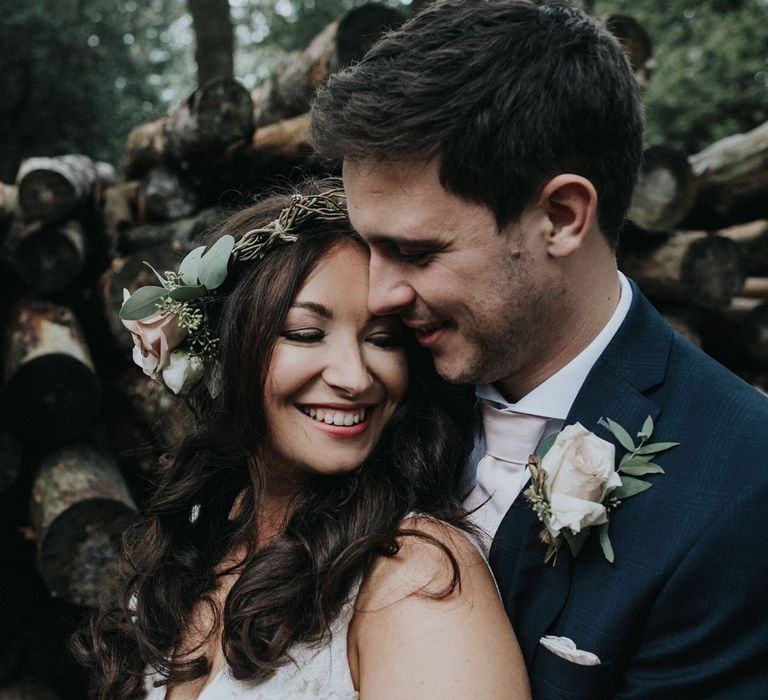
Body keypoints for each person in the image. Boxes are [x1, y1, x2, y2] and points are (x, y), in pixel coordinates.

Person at [310, 1, 768, 698]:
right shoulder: (371, 390)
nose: (379, 297)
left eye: (414, 252)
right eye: (369, 247)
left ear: (560, 217)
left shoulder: (740, 488)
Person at [72, 180, 530, 700]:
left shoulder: (415, 573)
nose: (356, 378)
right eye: (306, 334)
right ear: (228, 349)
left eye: (383, 340)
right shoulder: (202, 536)